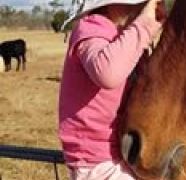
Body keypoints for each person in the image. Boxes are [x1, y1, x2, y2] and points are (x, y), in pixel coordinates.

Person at [58, 0, 165, 179]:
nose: (145, 7)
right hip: (97, 158)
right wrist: (144, 25)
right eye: (142, 3)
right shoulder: (92, 28)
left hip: (122, 150)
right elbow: (107, 73)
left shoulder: (126, 37)